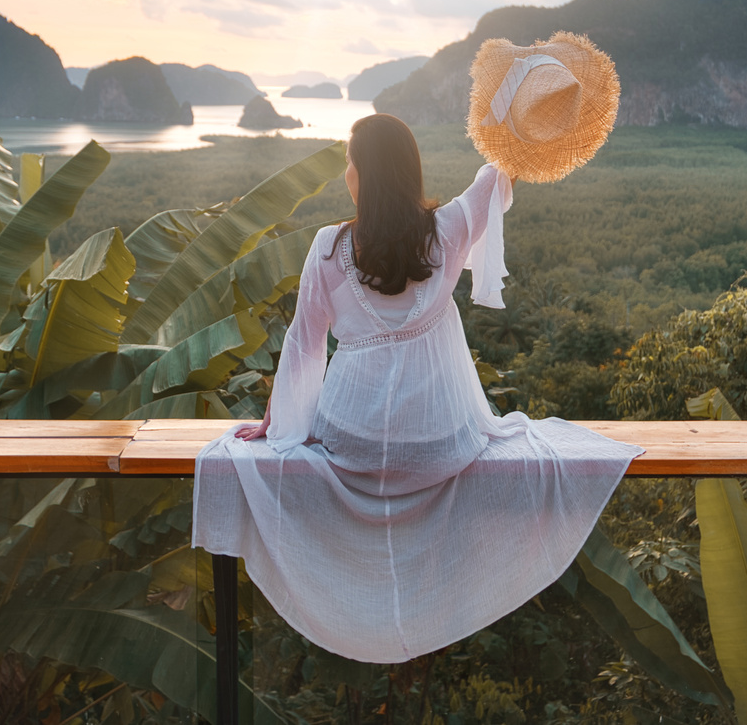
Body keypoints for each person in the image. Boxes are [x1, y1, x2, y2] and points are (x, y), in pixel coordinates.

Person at [192, 33, 644, 664]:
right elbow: (499, 175)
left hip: (347, 443)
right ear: (409, 172)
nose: (346, 171)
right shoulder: (450, 230)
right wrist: (522, 101)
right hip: (440, 447)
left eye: (350, 161)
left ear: (361, 173)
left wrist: (275, 426)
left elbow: (303, 346)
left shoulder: (327, 246)